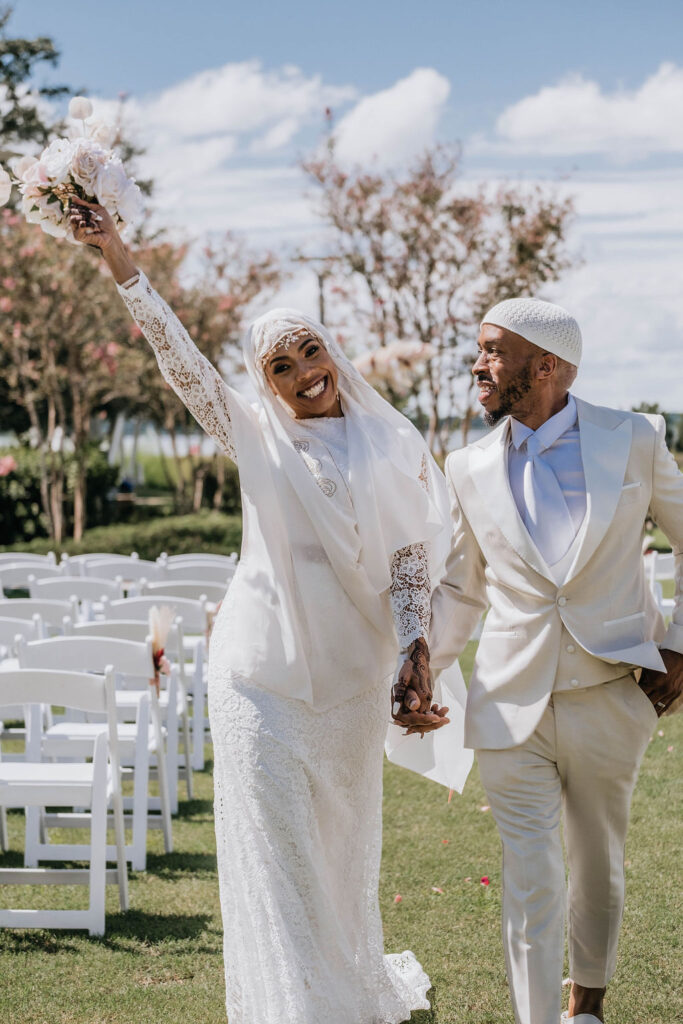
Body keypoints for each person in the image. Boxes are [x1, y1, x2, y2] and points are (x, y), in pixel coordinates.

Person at [68, 197, 469, 1024]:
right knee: (278, 858)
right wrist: (120, 258)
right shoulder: (252, 433)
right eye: (278, 366)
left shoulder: (390, 446)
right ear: (264, 383)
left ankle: (343, 988)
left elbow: (406, 565)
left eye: (308, 351)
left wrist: (415, 649)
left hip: (354, 684)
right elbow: (180, 364)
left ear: (334, 353)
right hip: (257, 679)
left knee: (340, 854)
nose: (300, 373)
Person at [394, 297, 683, 1024]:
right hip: (505, 699)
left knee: (597, 865)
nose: (477, 364)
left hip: (611, 694)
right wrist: (426, 664)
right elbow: (463, 585)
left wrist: (678, 644)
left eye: (493, 350)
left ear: (545, 365)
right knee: (530, 875)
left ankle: (584, 1003)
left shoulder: (635, 438)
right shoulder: (464, 465)